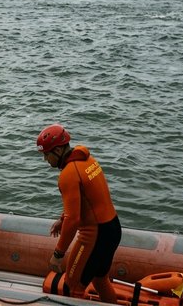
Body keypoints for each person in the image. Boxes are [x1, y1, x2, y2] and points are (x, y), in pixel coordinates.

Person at [36, 124, 121, 303]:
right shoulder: (87, 160)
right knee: (100, 280)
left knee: (72, 285)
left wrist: (58, 254)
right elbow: (86, 199)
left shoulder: (68, 174)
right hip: (112, 228)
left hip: (95, 235)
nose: (45, 159)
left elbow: (73, 220)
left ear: (58, 150)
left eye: (46, 154)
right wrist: (61, 219)